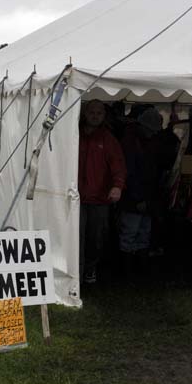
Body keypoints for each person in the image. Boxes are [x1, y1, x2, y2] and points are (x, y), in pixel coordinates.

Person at [78, 100, 126, 285]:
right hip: (76, 198)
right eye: (92, 112)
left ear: (104, 115)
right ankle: (77, 276)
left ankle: (90, 268)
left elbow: (118, 165)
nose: (95, 116)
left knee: (96, 239)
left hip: (99, 199)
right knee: (77, 238)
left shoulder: (108, 139)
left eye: (99, 112)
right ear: (85, 113)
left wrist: (117, 186)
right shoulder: (75, 134)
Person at [118, 108, 167, 273]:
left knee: (142, 232)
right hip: (134, 197)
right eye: (151, 131)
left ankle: (136, 269)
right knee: (131, 233)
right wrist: (138, 198)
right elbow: (130, 173)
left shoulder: (143, 141)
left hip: (145, 196)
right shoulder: (130, 143)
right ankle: (130, 270)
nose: (153, 134)